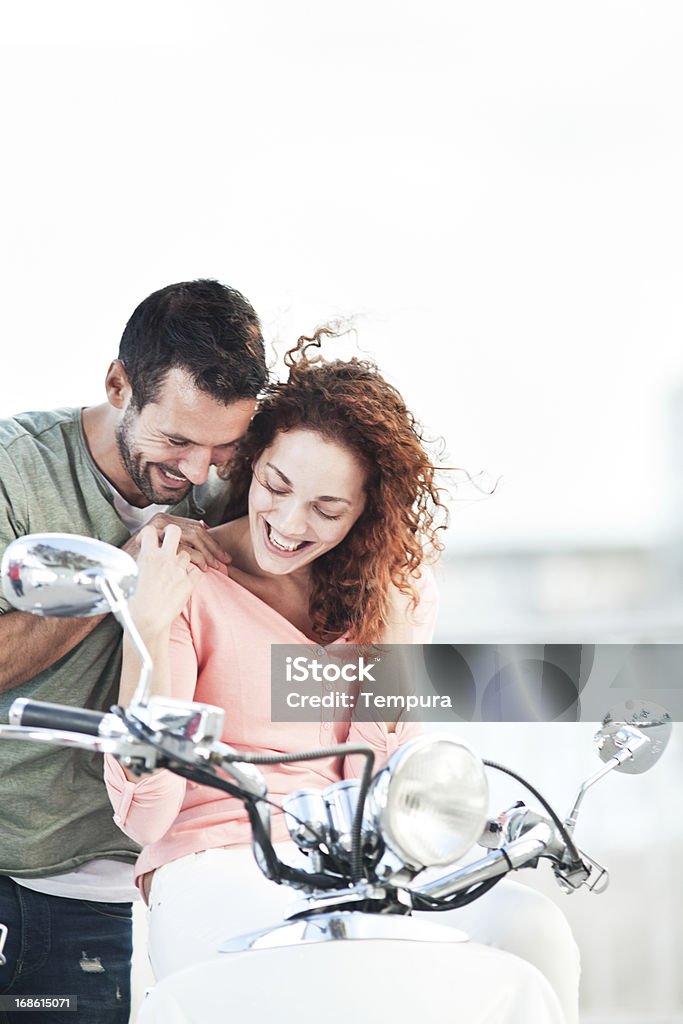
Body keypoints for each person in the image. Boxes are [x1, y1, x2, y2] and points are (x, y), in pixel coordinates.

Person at [104, 332, 580, 1022]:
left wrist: (386, 636)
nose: (289, 524)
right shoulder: (181, 573)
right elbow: (143, 816)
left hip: (363, 864)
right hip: (216, 863)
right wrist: (146, 628)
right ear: (248, 462)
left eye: (327, 510)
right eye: (275, 485)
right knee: (333, 962)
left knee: (528, 927)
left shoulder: (391, 594)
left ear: (365, 514)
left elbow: (385, 784)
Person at [0, 279, 267, 1023]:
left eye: (224, 446)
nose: (197, 473)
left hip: (111, 885)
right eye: (176, 440)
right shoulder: (13, 471)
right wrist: (125, 568)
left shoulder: (228, 490)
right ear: (118, 384)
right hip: (6, 858)